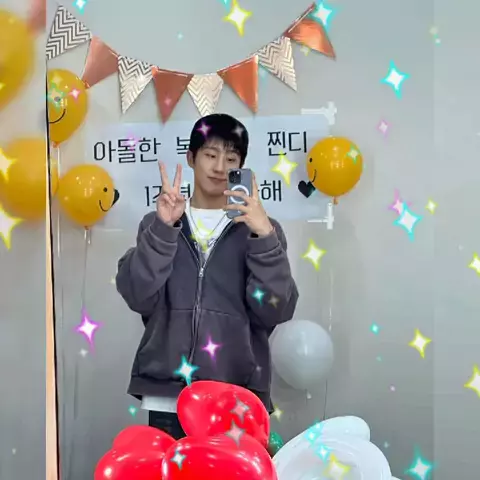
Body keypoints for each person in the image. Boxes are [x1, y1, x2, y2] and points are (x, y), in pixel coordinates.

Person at [116, 113, 299, 439]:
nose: (219, 167)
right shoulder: (161, 223)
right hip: (170, 396)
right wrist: (164, 230)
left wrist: (264, 237)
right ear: (191, 158)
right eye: (210, 155)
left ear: (242, 166)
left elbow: (276, 309)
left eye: (231, 159)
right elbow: (138, 294)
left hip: (236, 398)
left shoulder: (260, 231)